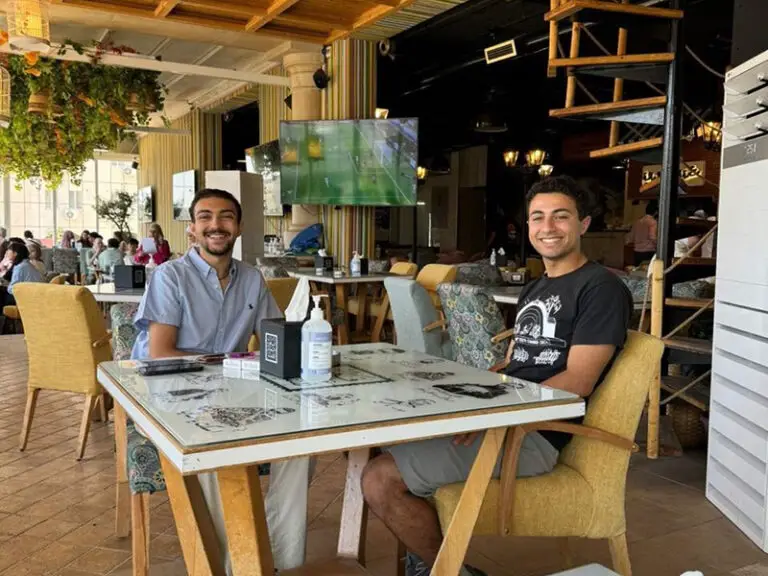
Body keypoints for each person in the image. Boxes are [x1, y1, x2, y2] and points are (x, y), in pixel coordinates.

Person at [361, 175, 632, 576]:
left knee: (379, 478)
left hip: (537, 431)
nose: (548, 227)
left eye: (561, 216)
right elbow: (518, 361)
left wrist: (495, 415)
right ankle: (427, 559)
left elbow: (577, 381)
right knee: (388, 434)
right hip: (507, 416)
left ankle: (449, 571)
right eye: (538, 217)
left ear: (583, 224)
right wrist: (470, 394)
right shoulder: (536, 288)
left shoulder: (600, 289)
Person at [131, 188, 309, 573]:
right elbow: (160, 352)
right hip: (168, 392)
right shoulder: (170, 277)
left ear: (239, 226)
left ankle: (280, 560)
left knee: (301, 442)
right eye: (206, 217)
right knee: (212, 438)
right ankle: (234, 566)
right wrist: (235, 361)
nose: (216, 225)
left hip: (231, 389)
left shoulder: (251, 279)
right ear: (192, 229)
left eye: (226, 216)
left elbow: (274, 337)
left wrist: (304, 346)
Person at [2, 241, 44, 306]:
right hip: (34, 295)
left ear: (15, 253)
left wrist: (7, 286)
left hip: (26, 297)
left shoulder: (20, 267)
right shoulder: (26, 264)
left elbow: (14, 289)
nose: (6, 252)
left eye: (9, 250)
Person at [626, 200, 658, 266]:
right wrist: (658, 245)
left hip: (637, 252)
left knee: (638, 272)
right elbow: (652, 237)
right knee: (647, 273)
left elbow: (631, 236)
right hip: (648, 252)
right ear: (655, 212)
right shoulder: (653, 222)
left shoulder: (638, 221)